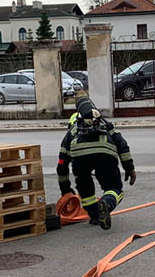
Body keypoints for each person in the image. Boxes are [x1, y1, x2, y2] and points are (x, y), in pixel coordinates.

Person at [57, 96, 136, 230]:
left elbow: (62, 163)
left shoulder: (72, 131)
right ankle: (107, 203)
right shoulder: (106, 124)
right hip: (105, 154)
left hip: (80, 157)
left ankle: (95, 216)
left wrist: (65, 188)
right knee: (114, 188)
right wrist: (129, 168)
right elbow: (122, 145)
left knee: (84, 186)